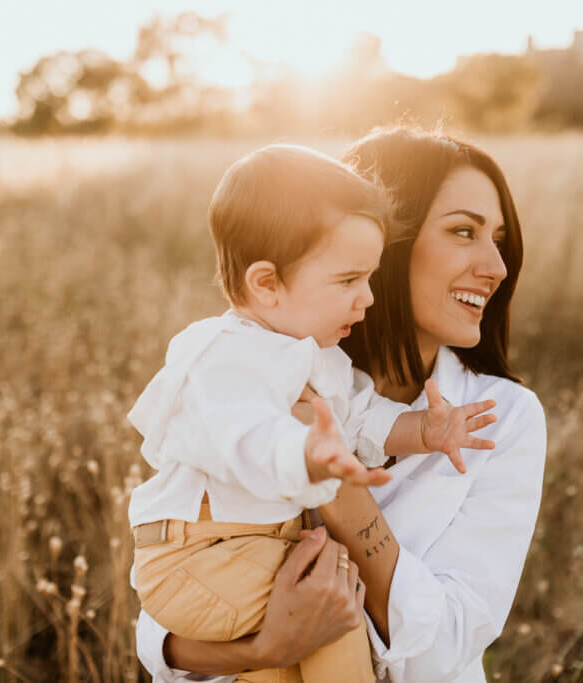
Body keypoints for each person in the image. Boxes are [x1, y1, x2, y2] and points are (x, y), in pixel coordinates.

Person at [136, 128, 547, 683]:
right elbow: (163, 611)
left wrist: (343, 493)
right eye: (463, 231)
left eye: (498, 239)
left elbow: (445, 650)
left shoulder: (499, 416)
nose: (497, 266)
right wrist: (262, 649)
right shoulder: (266, 367)